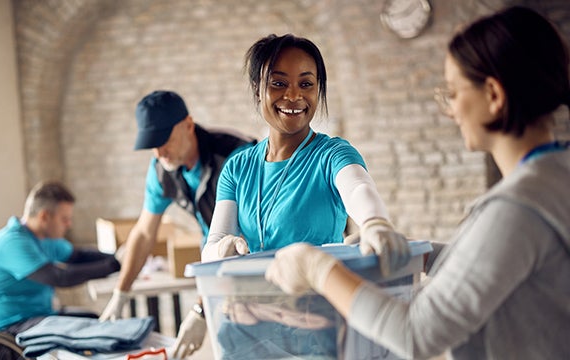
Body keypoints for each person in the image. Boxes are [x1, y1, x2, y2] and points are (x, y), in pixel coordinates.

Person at [265, 6, 570, 359]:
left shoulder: (518, 207)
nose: (451, 110)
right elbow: (498, 266)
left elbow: (415, 334)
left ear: (493, 96)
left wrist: (318, 270)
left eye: (453, 93)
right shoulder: (555, 175)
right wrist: (416, 252)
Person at [198, 34, 411, 359]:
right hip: (250, 326)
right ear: (258, 89)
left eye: (306, 84)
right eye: (279, 83)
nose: (294, 96)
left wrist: (375, 222)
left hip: (319, 323)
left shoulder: (331, 154)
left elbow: (357, 187)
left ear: (318, 90)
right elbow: (211, 248)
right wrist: (221, 249)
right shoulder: (238, 167)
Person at [98, 90, 256, 358]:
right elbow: (145, 233)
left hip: (251, 261)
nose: (160, 152)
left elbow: (243, 241)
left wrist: (200, 309)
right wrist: (120, 294)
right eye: (152, 144)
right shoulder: (162, 170)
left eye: (165, 140)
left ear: (188, 125)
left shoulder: (236, 156)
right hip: (213, 261)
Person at [0, 180, 121, 334]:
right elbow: (58, 277)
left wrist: (121, 257)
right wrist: (115, 265)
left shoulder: (45, 239)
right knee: (91, 329)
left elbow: (78, 256)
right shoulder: (13, 242)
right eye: (64, 219)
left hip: (37, 317)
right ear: (44, 216)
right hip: (8, 328)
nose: (69, 224)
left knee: (92, 319)